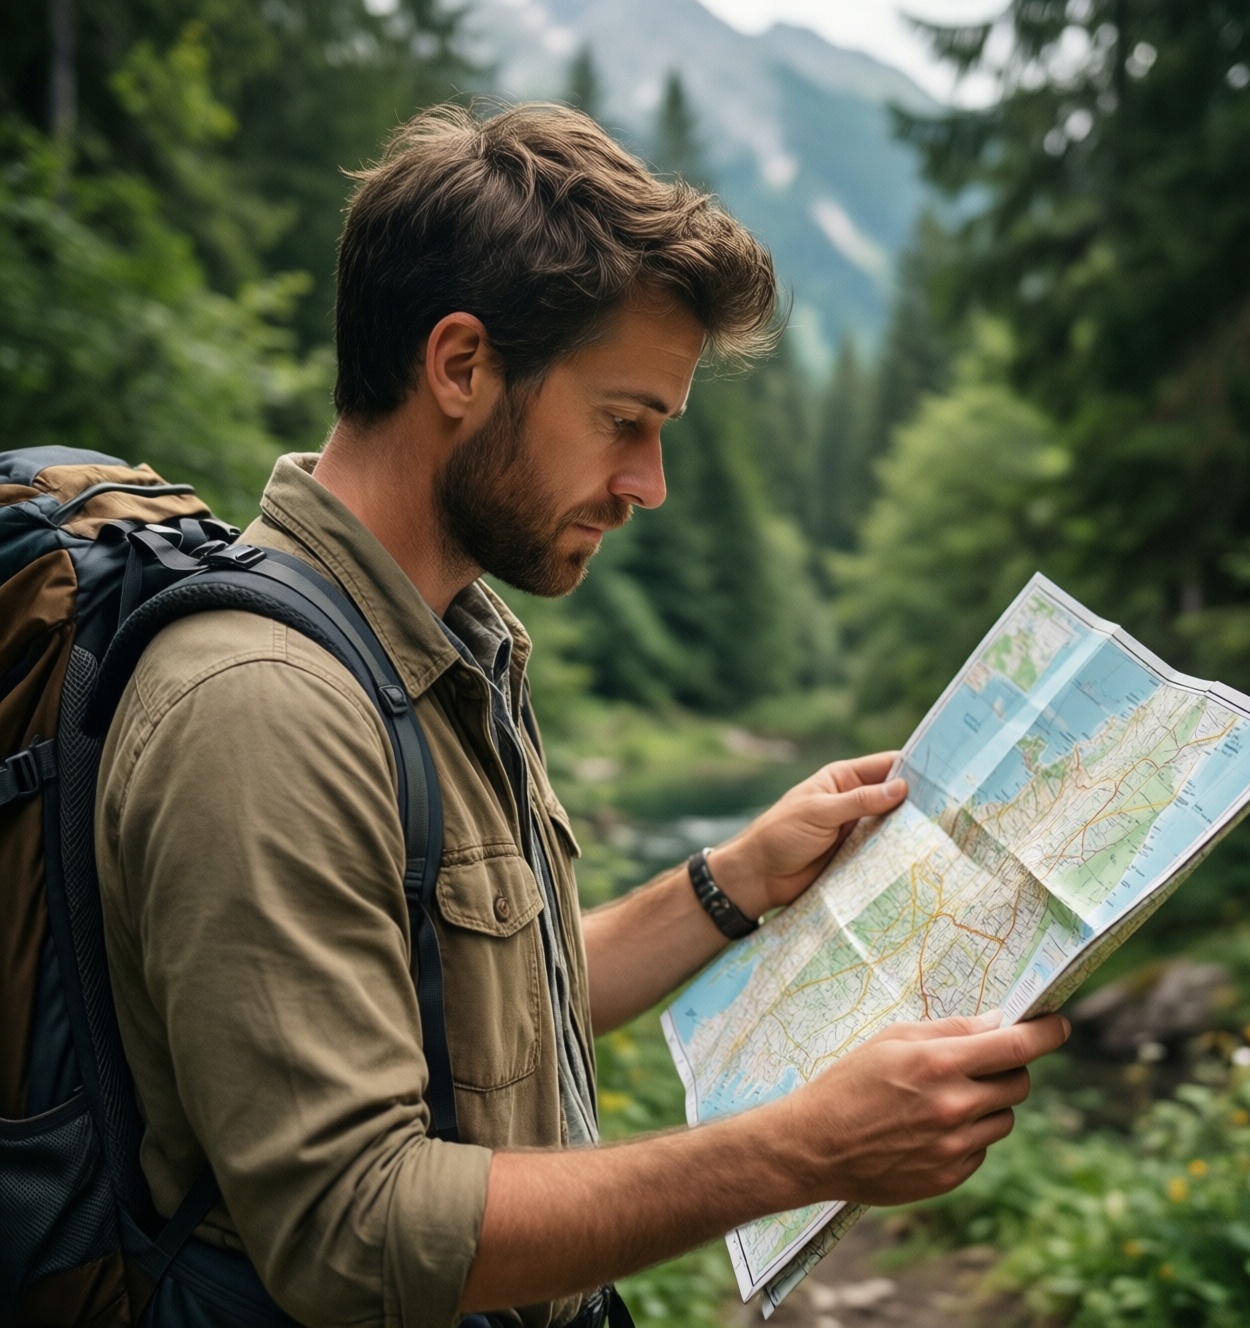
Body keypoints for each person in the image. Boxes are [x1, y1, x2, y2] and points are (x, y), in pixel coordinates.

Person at [95, 102, 1069, 1328]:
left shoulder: (448, 641)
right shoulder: (264, 705)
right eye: (625, 422)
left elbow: (488, 991)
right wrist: (795, 1151)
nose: (646, 487)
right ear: (460, 366)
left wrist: (731, 880)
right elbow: (351, 1231)